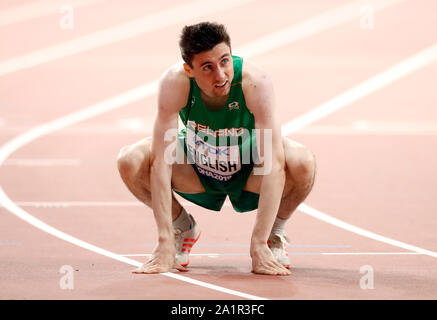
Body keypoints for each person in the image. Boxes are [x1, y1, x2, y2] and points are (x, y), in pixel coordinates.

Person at [117, 22, 316, 276]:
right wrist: (164, 240)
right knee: (129, 161)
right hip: (196, 166)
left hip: (248, 168)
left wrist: (257, 243)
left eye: (224, 61)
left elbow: (273, 164)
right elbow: (162, 162)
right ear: (189, 70)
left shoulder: (255, 83)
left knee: (302, 162)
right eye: (207, 67)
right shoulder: (174, 83)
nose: (220, 75)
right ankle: (182, 227)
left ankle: (273, 236)